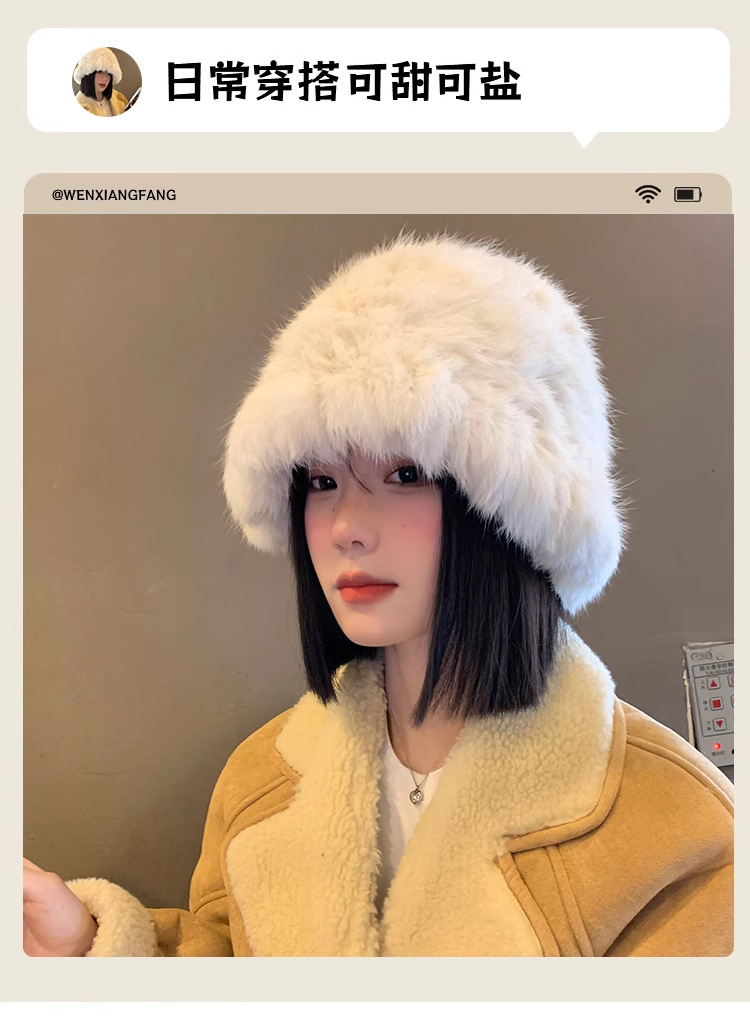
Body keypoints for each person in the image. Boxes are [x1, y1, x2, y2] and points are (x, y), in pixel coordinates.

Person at [23, 235, 733, 957]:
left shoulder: (678, 829)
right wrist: (87, 948)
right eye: (322, 481)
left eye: (405, 474)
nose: (346, 528)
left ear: (515, 513)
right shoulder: (261, 780)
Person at [73, 47, 129, 117]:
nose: (105, 79)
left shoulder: (120, 99)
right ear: (89, 74)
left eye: (109, 74)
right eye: (100, 72)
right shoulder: (80, 104)